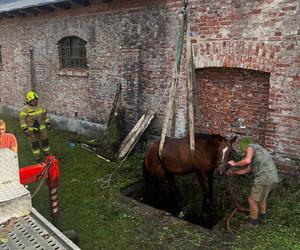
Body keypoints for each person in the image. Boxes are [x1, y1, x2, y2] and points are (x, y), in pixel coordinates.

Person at [227, 137, 279, 227]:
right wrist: (234, 172)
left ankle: (254, 223)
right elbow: (247, 169)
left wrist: (234, 163)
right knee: (262, 198)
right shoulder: (259, 150)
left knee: (252, 200)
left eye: (243, 149)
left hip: (264, 177)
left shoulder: (250, 147)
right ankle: (263, 218)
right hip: (274, 177)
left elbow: (247, 161)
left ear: (244, 146)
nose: (244, 151)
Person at [19, 90, 51, 161]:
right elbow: (22, 119)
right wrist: (25, 129)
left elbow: (45, 116)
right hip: (32, 130)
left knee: (45, 141)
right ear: (29, 101)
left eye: (36, 100)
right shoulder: (25, 108)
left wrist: (48, 123)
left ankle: (47, 153)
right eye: (33, 100)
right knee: (35, 143)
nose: (35, 102)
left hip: (42, 129)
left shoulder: (40, 106)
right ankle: (37, 156)